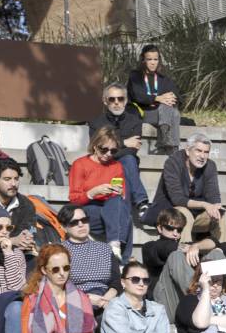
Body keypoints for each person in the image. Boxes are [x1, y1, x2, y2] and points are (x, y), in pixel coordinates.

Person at [142, 136, 226, 243]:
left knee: (220, 215)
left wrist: (215, 207)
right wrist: (204, 204)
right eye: (198, 151)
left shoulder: (210, 166)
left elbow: (213, 196)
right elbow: (177, 199)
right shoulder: (173, 162)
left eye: (206, 152)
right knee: (184, 214)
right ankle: (183, 255)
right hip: (169, 212)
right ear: (188, 150)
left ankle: (224, 254)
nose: (202, 156)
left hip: (196, 214)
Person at [67, 126, 134, 261]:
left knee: (120, 206)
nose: (109, 154)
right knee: (120, 213)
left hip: (111, 207)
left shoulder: (116, 166)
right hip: (87, 207)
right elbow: (74, 200)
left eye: (113, 151)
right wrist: (93, 192)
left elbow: (122, 195)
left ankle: (117, 250)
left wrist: (120, 192)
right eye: (104, 149)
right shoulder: (80, 164)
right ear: (95, 146)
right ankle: (120, 255)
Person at [88, 83, 150, 222]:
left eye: (120, 99)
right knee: (126, 161)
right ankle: (142, 203)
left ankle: (133, 211)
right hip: (103, 165)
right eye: (112, 99)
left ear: (126, 100)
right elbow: (95, 149)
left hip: (126, 165)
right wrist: (124, 143)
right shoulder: (96, 122)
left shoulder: (135, 121)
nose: (116, 103)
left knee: (127, 161)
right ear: (105, 101)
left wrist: (108, 147)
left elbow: (133, 149)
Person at [57, 205, 119, 309]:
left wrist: (105, 300)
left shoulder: (105, 249)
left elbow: (116, 282)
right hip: (73, 302)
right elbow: (56, 286)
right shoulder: (59, 251)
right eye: (74, 222)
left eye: (84, 220)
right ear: (64, 227)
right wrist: (85, 299)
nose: (81, 225)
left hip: (106, 300)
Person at [126, 44, 182, 154]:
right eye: (149, 59)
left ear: (159, 60)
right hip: (142, 113)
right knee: (174, 114)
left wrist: (171, 98)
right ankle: (172, 148)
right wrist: (158, 98)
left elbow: (178, 98)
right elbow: (138, 96)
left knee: (172, 110)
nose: (153, 62)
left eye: (155, 59)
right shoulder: (135, 76)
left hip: (160, 115)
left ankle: (167, 142)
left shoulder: (163, 79)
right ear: (143, 60)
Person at [0, 158, 52, 259]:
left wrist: (29, 236)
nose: (13, 184)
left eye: (16, 179)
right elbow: (14, 240)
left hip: (17, 256)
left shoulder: (26, 204)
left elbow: (31, 229)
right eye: (7, 179)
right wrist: (12, 241)